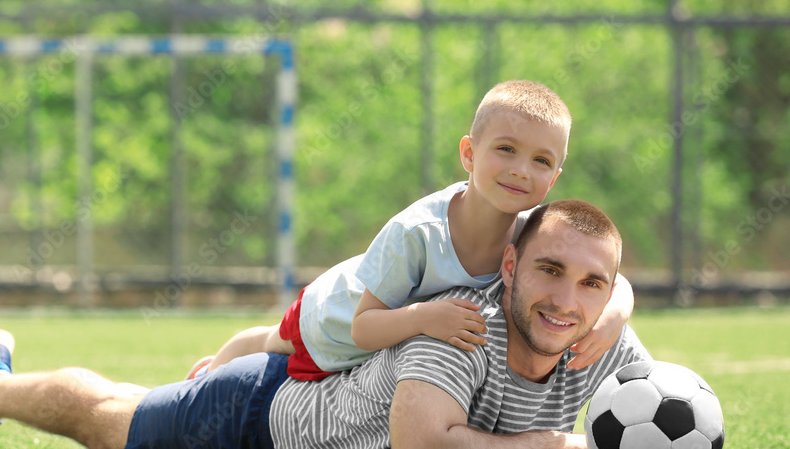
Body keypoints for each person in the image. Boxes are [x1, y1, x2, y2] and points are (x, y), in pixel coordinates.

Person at [0, 200, 718, 449]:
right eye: (549, 270)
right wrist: (558, 442)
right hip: (266, 412)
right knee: (109, 425)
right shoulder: (459, 326)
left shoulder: (603, 334)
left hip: (305, 388)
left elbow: (698, 443)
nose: (565, 300)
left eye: (592, 283)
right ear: (509, 267)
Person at [193, 80, 634, 383]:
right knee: (272, 342)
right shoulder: (418, 231)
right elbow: (364, 328)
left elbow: (609, 275)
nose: (521, 170)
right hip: (336, 317)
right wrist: (425, 318)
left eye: (541, 161)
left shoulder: (531, 230)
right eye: (506, 149)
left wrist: (615, 315)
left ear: (554, 177)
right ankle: (212, 368)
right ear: (469, 153)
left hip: (388, 345)